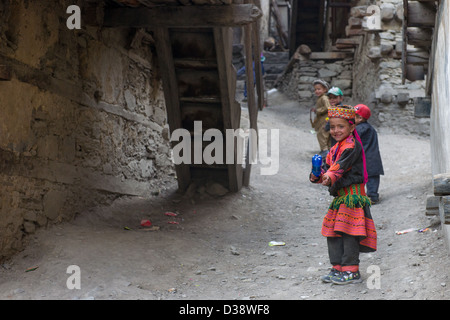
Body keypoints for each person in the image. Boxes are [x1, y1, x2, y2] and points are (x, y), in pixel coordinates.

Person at [309, 105, 377, 285]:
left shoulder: (351, 146)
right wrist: (317, 174)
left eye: (341, 127)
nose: (336, 131)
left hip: (353, 197)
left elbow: (339, 167)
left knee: (349, 233)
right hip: (341, 198)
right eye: (332, 127)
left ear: (351, 127)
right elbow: (327, 166)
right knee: (333, 233)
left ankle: (351, 270)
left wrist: (328, 177)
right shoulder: (335, 148)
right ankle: (337, 267)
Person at [354, 104, 384, 204]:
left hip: (367, 157)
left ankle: (373, 197)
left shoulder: (360, 129)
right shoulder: (369, 128)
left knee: (370, 177)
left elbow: (354, 140)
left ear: (360, 118)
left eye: (354, 116)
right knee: (373, 177)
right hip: (373, 156)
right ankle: (372, 195)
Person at [311, 79, 331, 158]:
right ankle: (326, 149)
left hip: (325, 120)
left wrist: (317, 110)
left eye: (319, 89)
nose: (316, 91)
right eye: (315, 89)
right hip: (322, 119)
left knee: (321, 134)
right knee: (324, 134)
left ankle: (325, 150)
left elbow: (327, 107)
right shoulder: (320, 98)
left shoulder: (324, 98)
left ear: (325, 90)